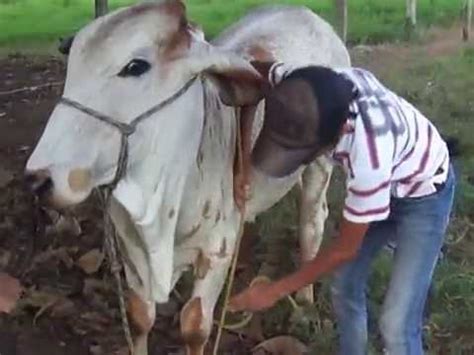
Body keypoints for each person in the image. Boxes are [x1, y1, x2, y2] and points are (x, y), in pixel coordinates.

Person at [228, 62, 455, 355]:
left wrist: (273, 291)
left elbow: (344, 249)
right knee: (344, 284)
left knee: (396, 324)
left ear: (341, 131)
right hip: (390, 173)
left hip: (423, 197)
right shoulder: (304, 86)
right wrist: (242, 161)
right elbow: (257, 64)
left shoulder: (369, 157)